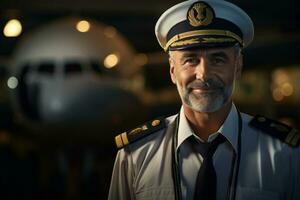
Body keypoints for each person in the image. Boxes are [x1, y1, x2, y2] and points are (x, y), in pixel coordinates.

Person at [108, 0, 300, 199]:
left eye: (218, 59)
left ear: (238, 67)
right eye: (190, 59)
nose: (204, 74)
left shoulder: (284, 154)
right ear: (173, 70)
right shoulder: (136, 155)